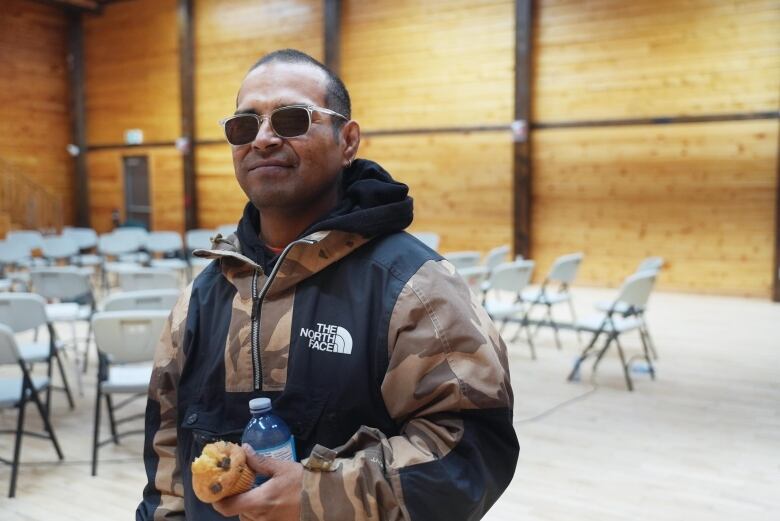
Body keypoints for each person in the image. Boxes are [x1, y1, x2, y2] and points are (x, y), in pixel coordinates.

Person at [136, 48, 518, 521]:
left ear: (348, 140)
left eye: (292, 119)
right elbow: (167, 454)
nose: (264, 139)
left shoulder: (414, 288)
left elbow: (469, 457)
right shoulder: (205, 294)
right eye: (244, 125)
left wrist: (319, 495)